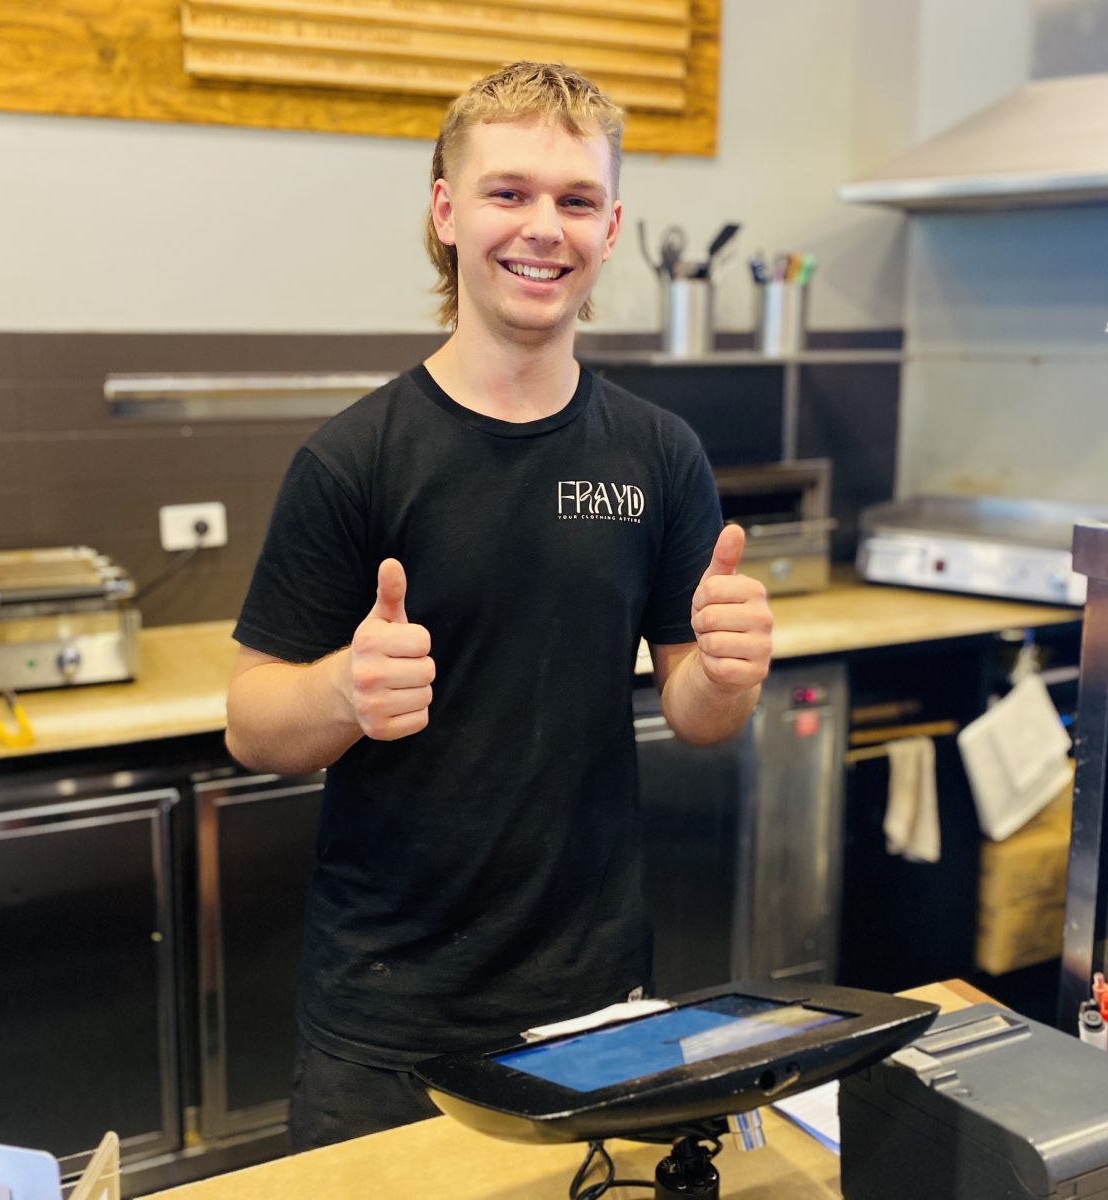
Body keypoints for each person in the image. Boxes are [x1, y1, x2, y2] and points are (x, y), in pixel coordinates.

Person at [225, 60, 773, 1151]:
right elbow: (250, 722)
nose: (542, 228)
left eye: (574, 200)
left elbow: (697, 714)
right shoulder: (354, 461)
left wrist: (719, 676)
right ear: (445, 212)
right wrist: (343, 686)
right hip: (387, 1019)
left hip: (593, 995)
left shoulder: (658, 455)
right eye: (507, 192)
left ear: (610, 226)